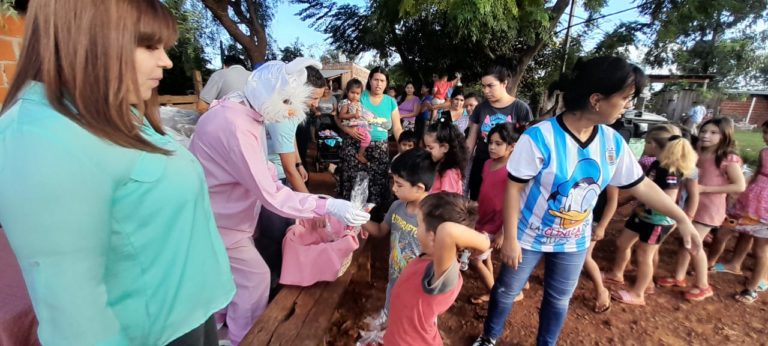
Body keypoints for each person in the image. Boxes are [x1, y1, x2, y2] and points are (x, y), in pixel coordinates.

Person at [0, 1, 234, 345]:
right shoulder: (39, 134)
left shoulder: (118, 112)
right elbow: (74, 312)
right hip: (148, 333)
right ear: (88, 37)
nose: (166, 61)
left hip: (188, 313)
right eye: (149, 45)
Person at [472, 57, 703, 346]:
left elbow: (641, 185)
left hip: (573, 240)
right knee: (506, 291)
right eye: (625, 98)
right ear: (596, 99)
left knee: (558, 299)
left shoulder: (612, 142)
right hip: (529, 237)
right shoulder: (539, 137)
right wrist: (510, 239)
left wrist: (681, 218)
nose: (628, 105)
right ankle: (489, 337)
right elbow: (513, 188)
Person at [188, 58, 370, 346]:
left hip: (223, 215)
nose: (292, 112)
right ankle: (242, 338)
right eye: (289, 103)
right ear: (273, 92)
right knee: (255, 278)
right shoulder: (236, 124)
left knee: (226, 276)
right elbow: (270, 193)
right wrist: (327, 205)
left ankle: (221, 327)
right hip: (219, 220)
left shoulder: (242, 111)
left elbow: (261, 168)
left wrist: (313, 198)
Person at [607, 125, 698, 306]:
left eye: (647, 142)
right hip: (642, 214)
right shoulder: (656, 164)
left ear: (655, 145)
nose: (645, 145)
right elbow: (643, 187)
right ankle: (617, 274)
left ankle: (639, 293)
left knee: (644, 255)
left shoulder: (670, 170)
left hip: (658, 219)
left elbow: (669, 198)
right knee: (623, 242)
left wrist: (646, 203)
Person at [384, 192, 491, 346]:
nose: (416, 229)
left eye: (419, 224)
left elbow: (447, 231)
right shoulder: (428, 257)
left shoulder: (442, 274)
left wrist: (484, 243)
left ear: (434, 236)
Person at [657, 117, 746, 301]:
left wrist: (706, 189)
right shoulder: (696, 151)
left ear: (725, 136)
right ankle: (679, 277)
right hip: (691, 204)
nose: (706, 136)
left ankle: (703, 285)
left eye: (714, 133)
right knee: (685, 241)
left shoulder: (728, 158)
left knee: (694, 244)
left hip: (710, 209)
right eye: (704, 131)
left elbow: (739, 186)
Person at [361, 149, 436, 330]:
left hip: (418, 286)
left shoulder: (433, 219)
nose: (393, 188)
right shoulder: (397, 207)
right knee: (392, 296)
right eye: (393, 182)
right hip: (395, 275)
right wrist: (360, 219)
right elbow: (379, 231)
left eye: (399, 184)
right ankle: (387, 318)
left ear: (419, 188)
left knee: (412, 321)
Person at [336, 67, 404, 216]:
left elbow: (397, 128)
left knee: (377, 183)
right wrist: (347, 131)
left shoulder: (391, 102)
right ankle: (350, 219)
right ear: (370, 80)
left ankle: (373, 220)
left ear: (386, 83)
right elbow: (338, 115)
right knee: (353, 182)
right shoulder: (359, 95)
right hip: (355, 145)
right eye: (375, 80)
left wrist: (405, 148)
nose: (378, 84)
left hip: (380, 149)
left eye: (382, 80)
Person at [465, 66, 534, 200]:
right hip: (481, 164)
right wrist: (461, 163)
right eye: (483, 86)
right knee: (475, 204)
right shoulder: (480, 108)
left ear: (504, 83)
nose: (486, 91)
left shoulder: (520, 108)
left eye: (490, 86)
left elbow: (527, 143)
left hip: (507, 169)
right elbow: (471, 139)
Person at [470, 123, 520, 305]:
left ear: (512, 146)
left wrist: (504, 232)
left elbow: (518, 204)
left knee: (474, 259)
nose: (492, 147)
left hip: (496, 223)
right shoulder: (487, 163)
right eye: (490, 142)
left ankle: (495, 295)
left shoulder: (514, 171)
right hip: (482, 218)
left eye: (498, 143)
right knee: (486, 256)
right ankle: (494, 288)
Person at [728, 120, 768, 303]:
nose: (766, 137)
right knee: (744, 233)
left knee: (761, 249)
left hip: (766, 208)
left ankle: (753, 286)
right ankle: (734, 264)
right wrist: (744, 193)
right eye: (765, 133)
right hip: (753, 201)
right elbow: (757, 173)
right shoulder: (763, 153)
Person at [424, 116, 469, 194]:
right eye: (425, 146)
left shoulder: (449, 173)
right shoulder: (438, 165)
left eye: (430, 147)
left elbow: (448, 202)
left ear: (444, 147)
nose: (426, 150)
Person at [338, 78, 375, 164]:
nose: (355, 96)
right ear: (347, 91)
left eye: (357, 93)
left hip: (356, 124)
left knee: (365, 136)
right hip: (350, 125)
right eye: (352, 92)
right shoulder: (346, 103)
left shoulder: (357, 103)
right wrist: (353, 115)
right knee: (367, 137)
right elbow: (341, 116)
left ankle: (361, 150)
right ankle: (360, 154)